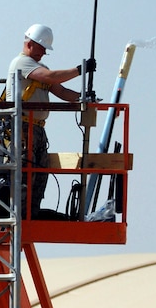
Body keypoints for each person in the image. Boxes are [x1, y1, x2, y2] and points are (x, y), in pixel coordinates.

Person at [6, 24, 95, 218]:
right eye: (42, 47)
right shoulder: (22, 64)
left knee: (39, 172)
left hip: (36, 129)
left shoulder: (39, 68)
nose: (45, 53)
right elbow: (50, 77)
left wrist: (83, 97)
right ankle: (20, 215)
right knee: (24, 172)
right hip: (22, 127)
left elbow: (60, 91)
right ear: (30, 44)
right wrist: (80, 70)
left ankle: (31, 212)